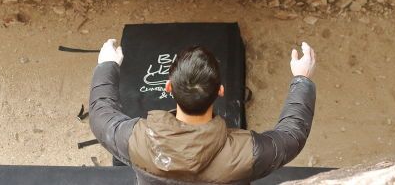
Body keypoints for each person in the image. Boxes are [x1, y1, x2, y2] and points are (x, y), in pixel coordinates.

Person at [89, 38, 316, 184]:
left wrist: (107, 65)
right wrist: (301, 78)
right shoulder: (247, 153)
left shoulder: (135, 139)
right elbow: (291, 136)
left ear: (168, 87)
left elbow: (101, 114)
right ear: (220, 91)